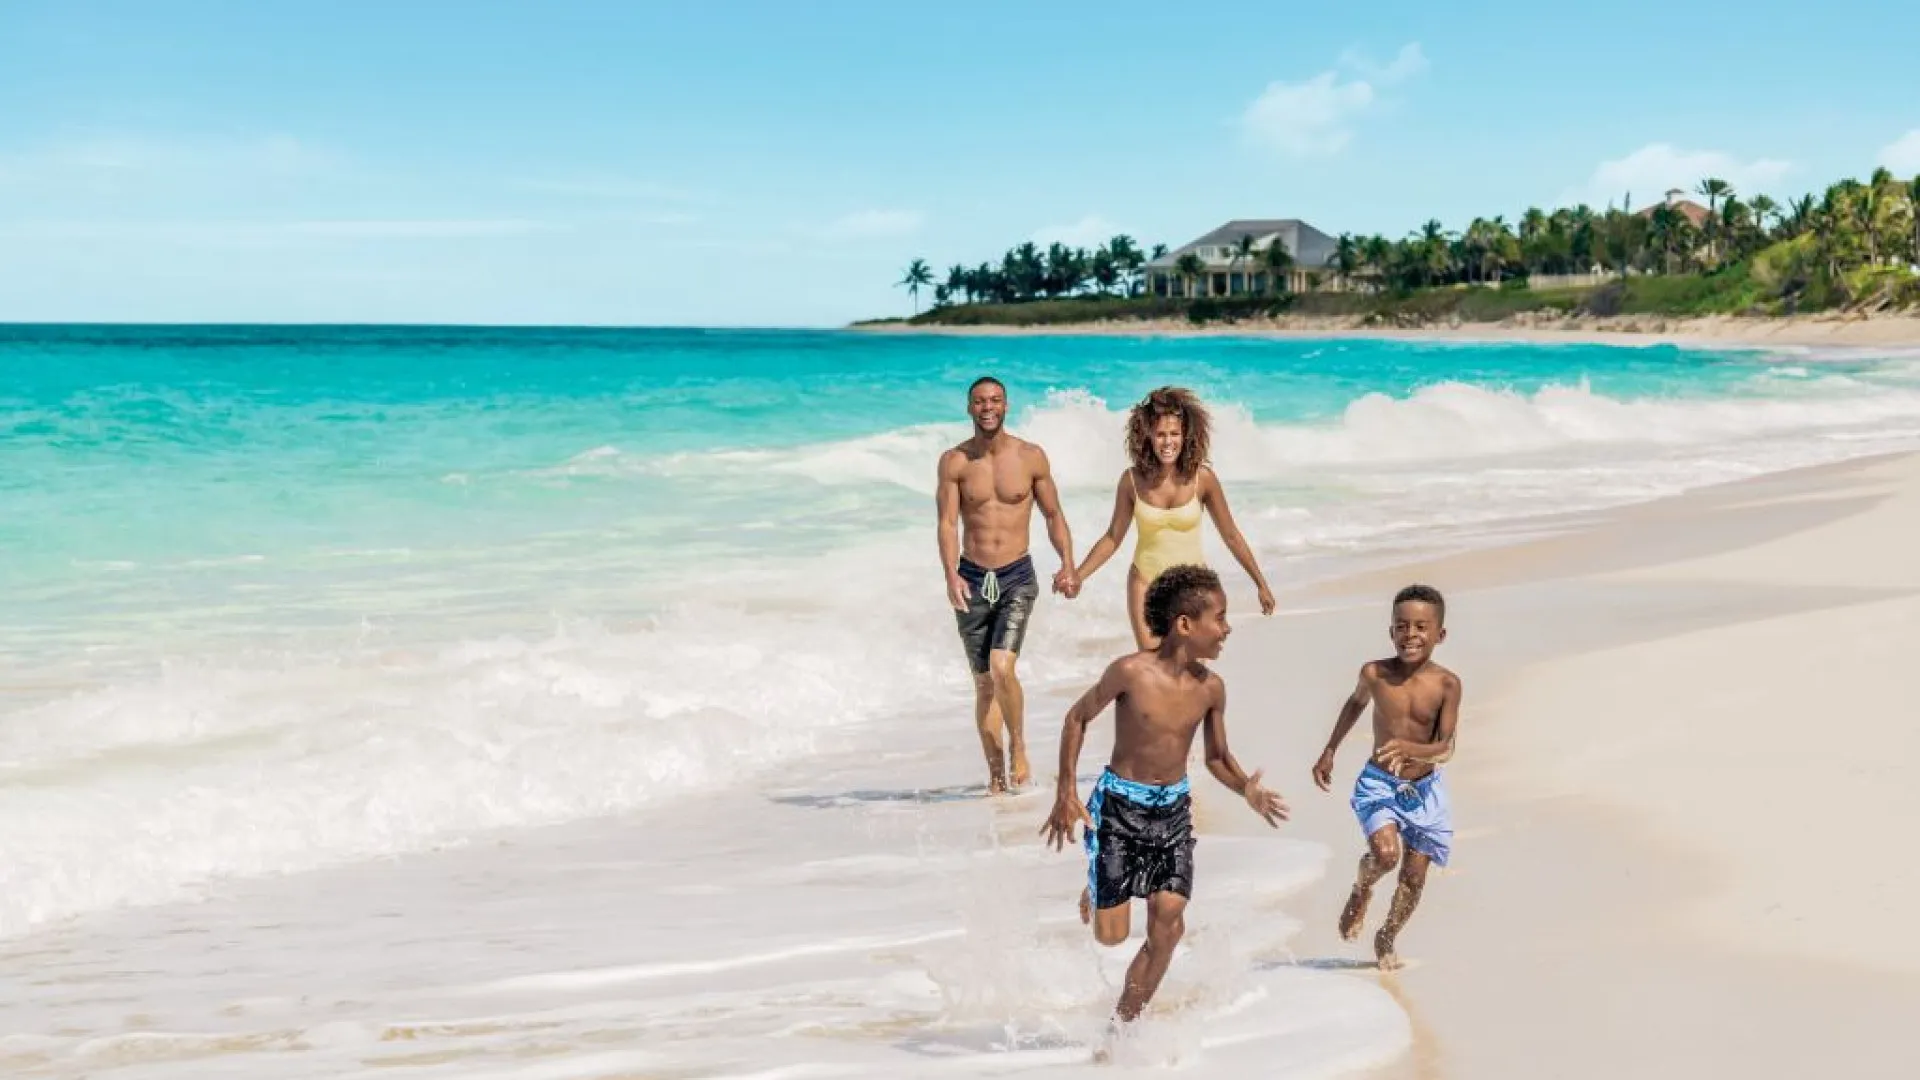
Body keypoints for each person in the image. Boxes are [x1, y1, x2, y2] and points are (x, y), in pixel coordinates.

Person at [1040, 564, 1288, 1038]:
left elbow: (1217, 757)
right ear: (1185, 624)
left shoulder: (1211, 689)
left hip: (1172, 812)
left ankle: (1121, 1030)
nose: (1227, 628)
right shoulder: (1130, 672)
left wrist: (1247, 789)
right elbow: (1077, 717)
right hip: (1118, 808)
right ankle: (1096, 882)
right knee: (1111, 936)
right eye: (1220, 617)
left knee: (1169, 923)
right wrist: (1065, 791)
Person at [936, 376, 1078, 795]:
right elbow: (947, 523)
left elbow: (1053, 514)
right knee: (984, 684)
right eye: (980, 401)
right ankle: (996, 777)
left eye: (995, 400)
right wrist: (950, 574)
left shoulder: (1031, 457)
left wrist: (1068, 563)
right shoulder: (954, 462)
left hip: (1016, 575)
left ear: (1006, 406)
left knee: (1002, 668)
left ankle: (1019, 745)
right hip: (972, 578)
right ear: (969, 408)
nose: (987, 407)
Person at [1311, 583, 1462, 971]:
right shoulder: (1375, 673)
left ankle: (1387, 935)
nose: (1410, 634)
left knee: (1414, 876)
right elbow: (1355, 703)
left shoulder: (1447, 684)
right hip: (1380, 783)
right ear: (1391, 630)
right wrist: (1330, 749)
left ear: (1440, 634)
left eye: (1421, 627)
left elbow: (1446, 747)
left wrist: (1413, 750)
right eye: (1402, 626)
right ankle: (1362, 888)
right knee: (1385, 855)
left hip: (1425, 790)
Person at [1073, 386, 1275, 650]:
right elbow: (1112, 538)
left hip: (1193, 590)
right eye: (1160, 434)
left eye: (1174, 434)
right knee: (1153, 666)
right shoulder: (1132, 481)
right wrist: (1078, 575)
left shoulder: (1203, 479)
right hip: (1145, 583)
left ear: (1185, 435)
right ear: (1148, 436)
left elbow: (1231, 535)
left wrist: (1260, 584)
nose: (1167, 442)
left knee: (1190, 667)